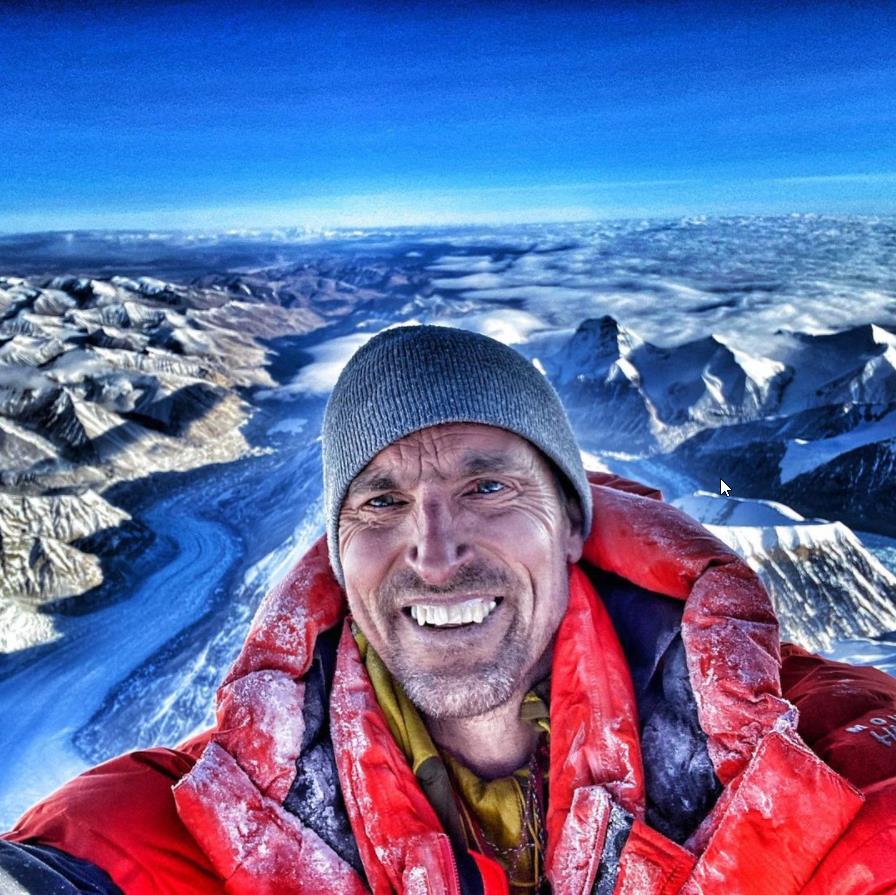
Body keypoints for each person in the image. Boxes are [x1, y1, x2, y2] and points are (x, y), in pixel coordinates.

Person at [2, 324, 896, 895]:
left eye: (488, 484)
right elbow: (113, 853)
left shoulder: (798, 749)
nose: (434, 551)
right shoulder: (220, 806)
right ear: (338, 558)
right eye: (381, 502)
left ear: (573, 526)